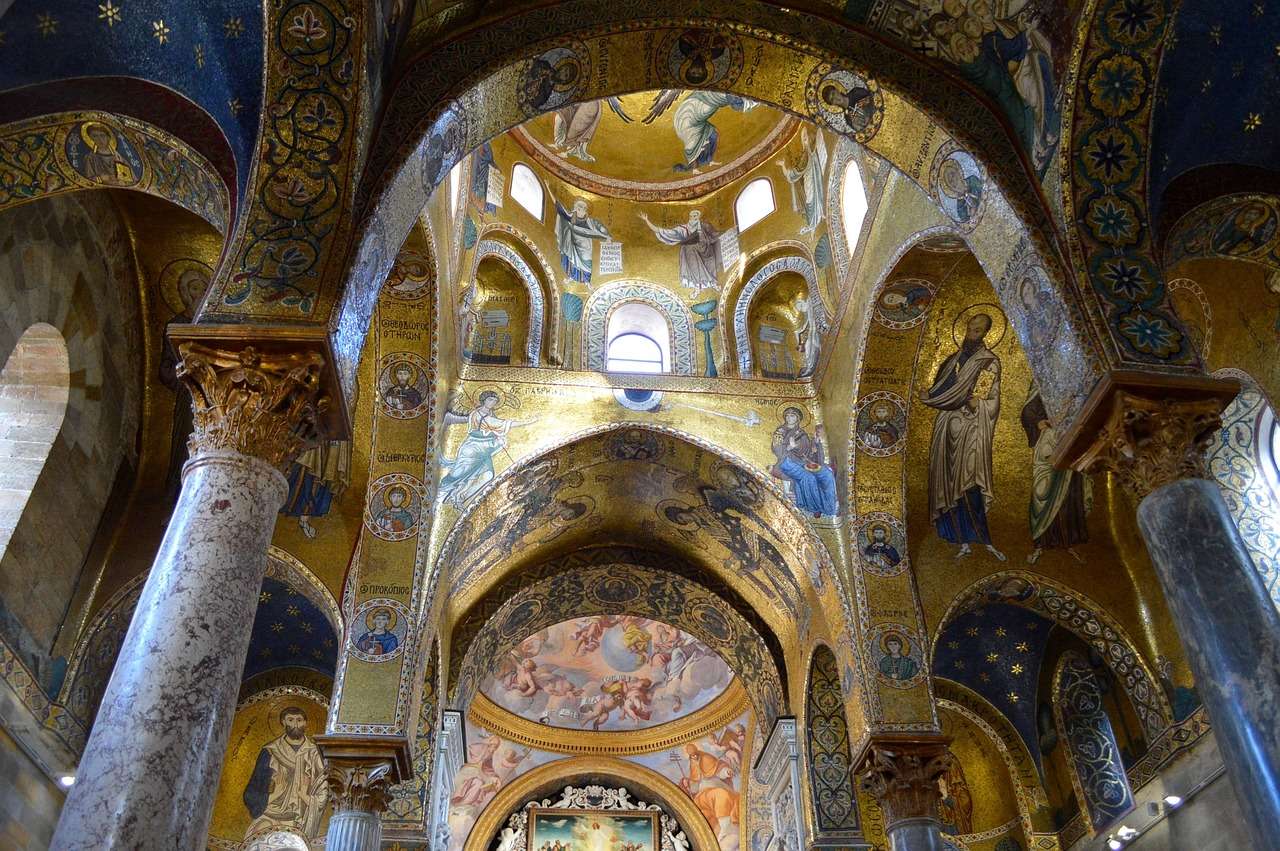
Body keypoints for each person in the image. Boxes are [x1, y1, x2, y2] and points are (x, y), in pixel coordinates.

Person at [920, 313, 1005, 560]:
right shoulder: (952, 359)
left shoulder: (990, 362)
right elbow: (940, 390)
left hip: (972, 428)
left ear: (986, 333)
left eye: (978, 330)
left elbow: (993, 402)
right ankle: (958, 539)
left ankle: (982, 539)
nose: (972, 333)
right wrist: (931, 396)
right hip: (947, 427)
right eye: (971, 328)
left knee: (970, 482)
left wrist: (975, 402)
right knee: (947, 482)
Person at [1020, 382, 1089, 564]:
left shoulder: (1074, 384)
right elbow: (1028, 411)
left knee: (1070, 495)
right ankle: (1040, 544)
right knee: (1042, 492)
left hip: (1069, 442)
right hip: (1048, 443)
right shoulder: (1043, 380)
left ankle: (1069, 542)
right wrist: (1038, 422)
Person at [242, 707, 327, 841]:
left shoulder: (314, 753)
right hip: (269, 814)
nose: (295, 724)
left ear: (305, 723)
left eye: (299, 720)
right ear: (283, 722)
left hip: (299, 819)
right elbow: (251, 791)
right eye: (290, 720)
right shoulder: (270, 751)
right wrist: (272, 794)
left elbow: (323, 792)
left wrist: (305, 796)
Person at [438, 391, 534, 509]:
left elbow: (494, 427)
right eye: (490, 400)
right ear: (483, 400)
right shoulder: (476, 414)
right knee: (457, 474)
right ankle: (440, 495)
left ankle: (460, 497)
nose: (492, 402)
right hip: (472, 449)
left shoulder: (491, 415)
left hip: (485, 450)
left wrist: (497, 438)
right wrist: (528, 422)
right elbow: (497, 424)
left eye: (494, 401)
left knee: (488, 475)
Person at [770, 406, 838, 518]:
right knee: (808, 478)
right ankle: (814, 508)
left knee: (827, 474)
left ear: (798, 418)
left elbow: (808, 451)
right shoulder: (780, 432)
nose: (789, 418)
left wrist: (815, 443)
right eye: (787, 415)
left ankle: (829, 507)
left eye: (792, 415)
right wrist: (789, 448)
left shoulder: (801, 432)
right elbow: (777, 449)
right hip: (786, 462)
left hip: (804, 461)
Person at [281, 440, 351, 539]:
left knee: (321, 480)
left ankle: (304, 518)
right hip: (317, 445)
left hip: (332, 447)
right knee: (304, 471)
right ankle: (285, 504)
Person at [639, 209, 723, 293]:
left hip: (705, 250)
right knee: (691, 256)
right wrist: (647, 220)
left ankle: (712, 283)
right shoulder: (683, 229)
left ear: (699, 216)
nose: (694, 217)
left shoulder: (705, 226)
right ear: (689, 217)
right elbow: (665, 232)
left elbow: (715, 235)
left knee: (711, 259)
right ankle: (698, 286)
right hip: (691, 251)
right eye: (693, 216)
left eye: (696, 215)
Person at [777, 127, 829, 233]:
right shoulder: (805, 154)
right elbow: (795, 172)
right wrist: (783, 166)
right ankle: (813, 223)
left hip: (812, 179)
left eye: (806, 136)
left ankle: (816, 220)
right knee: (809, 199)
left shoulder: (809, 152)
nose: (805, 139)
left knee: (812, 198)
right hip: (808, 180)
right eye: (803, 137)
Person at [552, 194, 612, 284]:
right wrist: (549, 191)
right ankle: (571, 277)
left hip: (586, 245)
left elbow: (600, 227)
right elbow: (561, 210)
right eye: (579, 206)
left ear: (586, 210)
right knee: (570, 258)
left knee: (587, 260)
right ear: (575, 207)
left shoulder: (590, 221)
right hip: (572, 242)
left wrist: (606, 235)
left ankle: (587, 280)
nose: (581, 209)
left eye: (584, 207)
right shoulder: (571, 216)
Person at [938, 155, 983, 222]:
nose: (954, 181)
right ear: (949, 187)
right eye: (950, 181)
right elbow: (967, 221)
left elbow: (985, 192)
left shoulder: (973, 180)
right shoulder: (960, 207)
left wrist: (976, 203)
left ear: (959, 172)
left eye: (953, 174)